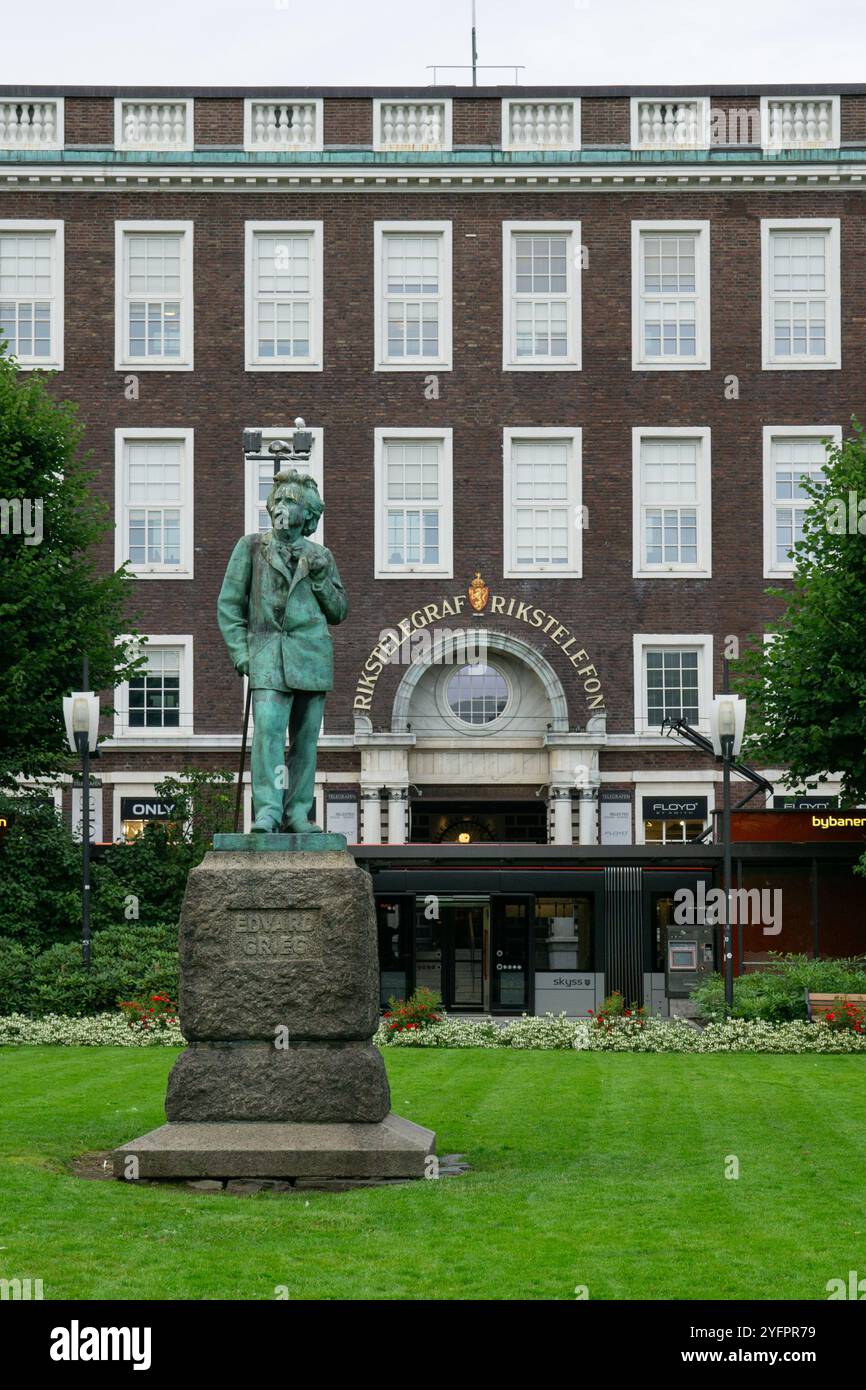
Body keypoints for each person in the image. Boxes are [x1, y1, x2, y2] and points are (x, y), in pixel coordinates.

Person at [217, 469, 347, 833]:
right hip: (267, 659)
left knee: (305, 744)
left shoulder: (322, 555)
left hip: (312, 659)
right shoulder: (251, 548)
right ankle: (269, 811)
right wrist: (242, 655)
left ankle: (298, 813)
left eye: (293, 502)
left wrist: (321, 579)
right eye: (280, 501)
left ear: (308, 515)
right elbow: (229, 606)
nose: (284, 507)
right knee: (269, 739)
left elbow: (338, 612)